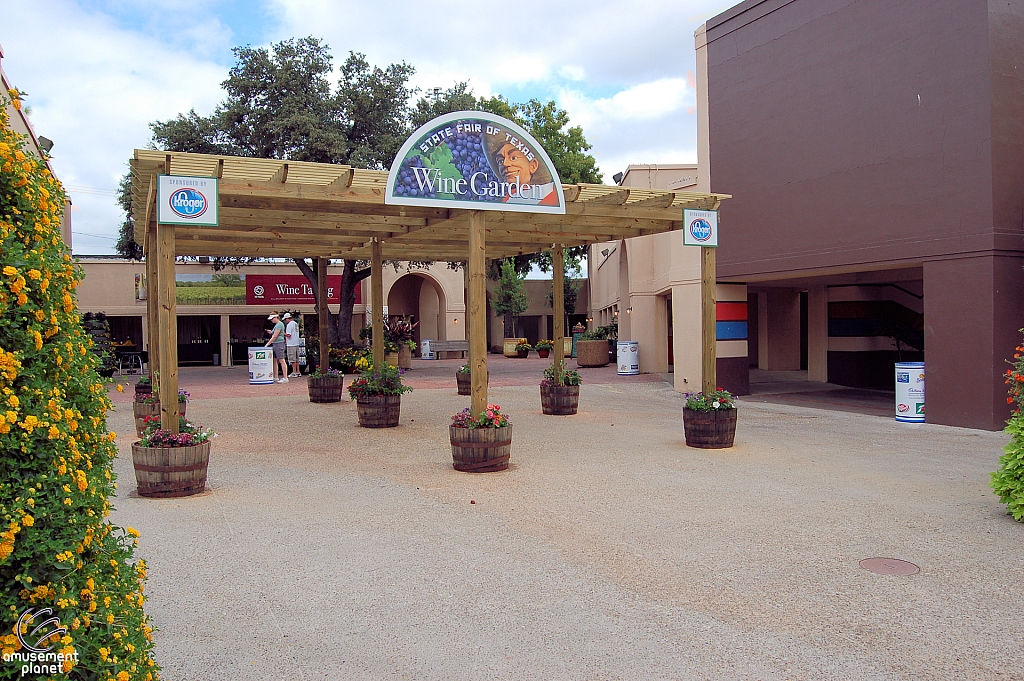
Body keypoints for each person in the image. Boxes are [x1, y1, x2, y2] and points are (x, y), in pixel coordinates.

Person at [264, 313, 289, 383]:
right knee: (275, 360)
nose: (271, 320)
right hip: (275, 344)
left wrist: (267, 344)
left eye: (272, 319)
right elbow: (274, 333)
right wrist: (270, 332)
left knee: (281, 360)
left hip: (279, 344)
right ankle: (276, 376)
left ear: (276, 318)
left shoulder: (279, 324)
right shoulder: (277, 325)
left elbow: (275, 336)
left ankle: (285, 377)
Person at [283, 312, 302, 377]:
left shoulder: (289, 325)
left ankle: (294, 372)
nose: (285, 321)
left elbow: (288, 335)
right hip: (296, 343)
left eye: (285, 319)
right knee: (297, 359)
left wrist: (282, 333)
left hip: (291, 344)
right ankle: (298, 371)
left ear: (287, 319)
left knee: (292, 359)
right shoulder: (295, 323)